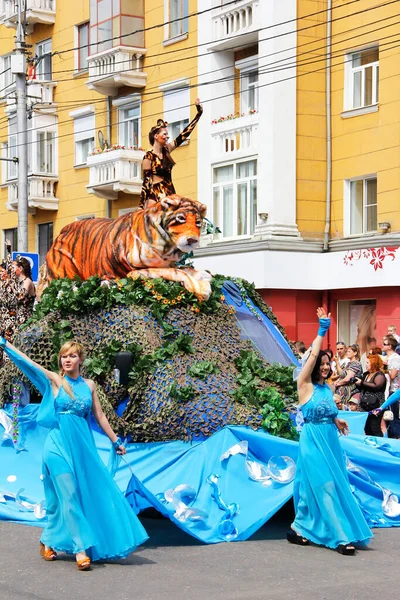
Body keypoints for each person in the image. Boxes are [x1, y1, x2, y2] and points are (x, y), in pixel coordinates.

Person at [0, 337, 148, 570]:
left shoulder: (89, 386)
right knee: (68, 494)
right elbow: (29, 364)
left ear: (81, 359)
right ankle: (80, 548)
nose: (67, 359)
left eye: (72, 356)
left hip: (81, 448)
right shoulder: (56, 380)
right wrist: (6, 346)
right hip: (56, 445)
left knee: (76, 496)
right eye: (64, 356)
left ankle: (48, 539)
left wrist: (115, 440)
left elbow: (100, 416)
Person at [287, 307, 372, 555]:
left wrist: (336, 419)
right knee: (323, 486)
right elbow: (312, 356)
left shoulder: (328, 387)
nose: (324, 367)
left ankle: (300, 527)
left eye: (327, 364)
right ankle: (339, 537)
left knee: (331, 484)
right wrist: (322, 328)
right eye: (321, 364)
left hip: (330, 439)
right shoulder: (304, 384)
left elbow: (326, 410)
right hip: (312, 440)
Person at [140, 98, 203, 209]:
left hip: (170, 192)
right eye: (164, 134)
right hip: (156, 194)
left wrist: (198, 115)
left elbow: (183, 135)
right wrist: (141, 205)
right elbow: (146, 182)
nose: (167, 136)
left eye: (167, 134)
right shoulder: (148, 157)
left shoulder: (167, 150)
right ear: (156, 136)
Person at [355, 355, 386, 436]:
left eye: (368, 363)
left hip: (376, 405)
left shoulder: (380, 375)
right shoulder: (366, 374)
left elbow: (376, 386)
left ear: (374, 363)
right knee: (367, 428)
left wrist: (362, 382)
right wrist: (357, 383)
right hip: (364, 405)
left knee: (374, 428)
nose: (366, 364)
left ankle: (379, 446)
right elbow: (362, 387)